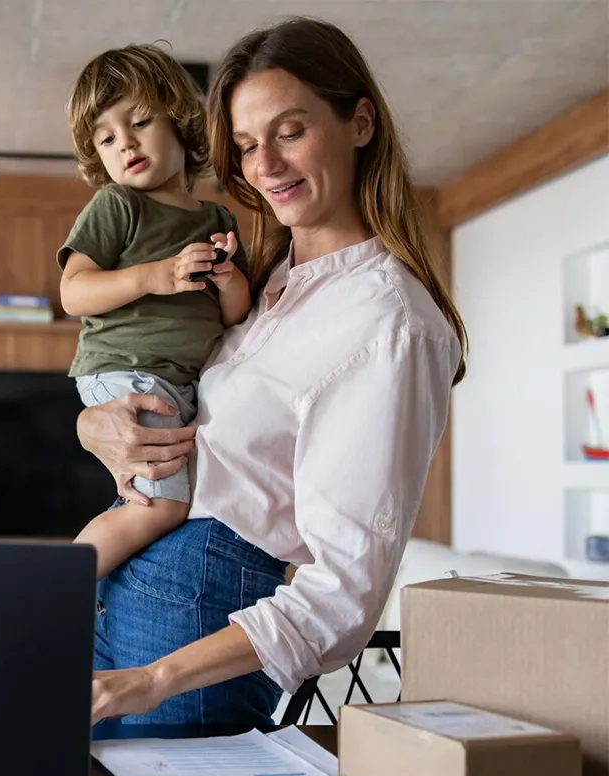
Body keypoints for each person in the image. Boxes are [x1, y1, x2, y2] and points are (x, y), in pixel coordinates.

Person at [77, 16, 468, 727]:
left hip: (184, 639)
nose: (266, 167)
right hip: (129, 599)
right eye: (249, 145)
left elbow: (343, 595)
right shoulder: (265, 284)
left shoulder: (389, 323)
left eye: (290, 131)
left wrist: (152, 680)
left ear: (360, 123)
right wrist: (91, 423)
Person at [58, 44, 253, 580]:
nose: (125, 143)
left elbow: (235, 316)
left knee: (164, 499)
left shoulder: (217, 216)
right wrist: (154, 275)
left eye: (140, 121)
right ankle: (54, 586)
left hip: (175, 381)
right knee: (163, 506)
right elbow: (73, 292)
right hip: (126, 370)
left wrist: (229, 278)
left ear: (180, 122)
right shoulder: (118, 205)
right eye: (106, 137)